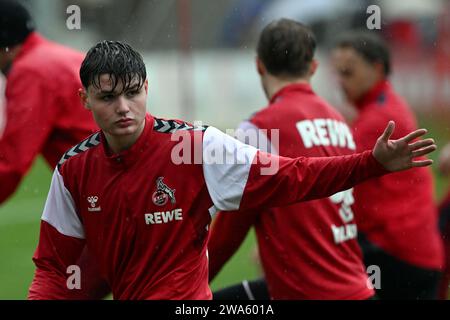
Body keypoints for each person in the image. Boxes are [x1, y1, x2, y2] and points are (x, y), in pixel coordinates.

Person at [28, 39, 436, 300]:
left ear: (147, 89)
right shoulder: (73, 170)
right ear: (84, 99)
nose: (123, 108)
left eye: (133, 93)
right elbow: (52, 267)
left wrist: (372, 162)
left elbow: (294, 175)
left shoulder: (193, 148)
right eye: (108, 97)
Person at [208, 18, 376, 300]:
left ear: (259, 65)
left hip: (307, 293)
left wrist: (188, 283)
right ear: (313, 67)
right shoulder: (339, 121)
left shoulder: (260, 128)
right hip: (357, 290)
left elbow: (229, 230)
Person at [0, 0, 107, 299]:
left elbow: (11, 164)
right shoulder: (60, 55)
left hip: (110, 201)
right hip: (131, 191)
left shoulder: (29, 72)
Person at [331, 31, 444, 299]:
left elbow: (330, 177)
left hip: (398, 254)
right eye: (339, 73)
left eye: (349, 71)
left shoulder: (379, 120)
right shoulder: (384, 108)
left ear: (377, 68)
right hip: (414, 253)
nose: (341, 81)